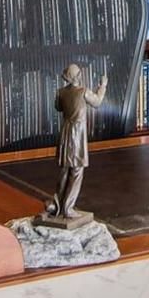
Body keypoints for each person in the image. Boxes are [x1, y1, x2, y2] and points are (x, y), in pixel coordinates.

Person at [43, 63, 106, 224]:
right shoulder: (83, 92)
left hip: (65, 133)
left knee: (65, 170)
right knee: (76, 170)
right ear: (78, 76)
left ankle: (57, 205)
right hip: (77, 134)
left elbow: (58, 107)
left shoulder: (61, 92)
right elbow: (97, 102)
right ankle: (68, 208)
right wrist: (102, 86)